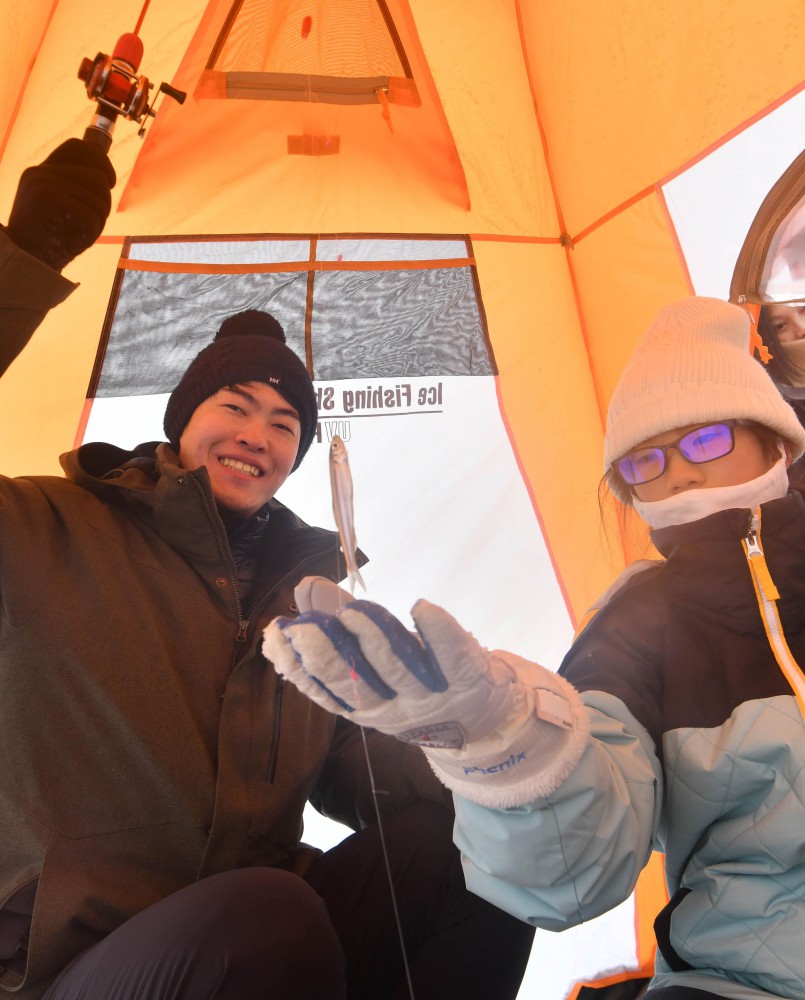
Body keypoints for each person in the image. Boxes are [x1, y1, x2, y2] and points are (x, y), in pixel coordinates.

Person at [0, 141, 535, 999]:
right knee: (265, 915)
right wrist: (21, 259)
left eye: (285, 422)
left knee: (489, 853)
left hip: (259, 942)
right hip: (74, 960)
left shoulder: (306, 599)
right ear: (184, 421)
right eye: (234, 405)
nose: (258, 432)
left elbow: (361, 771)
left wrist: (493, 754)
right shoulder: (44, 528)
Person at [265, 296, 805, 1000]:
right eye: (645, 460)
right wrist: (504, 746)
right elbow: (571, 875)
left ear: (773, 440)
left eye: (705, 440)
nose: (678, 472)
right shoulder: (637, 622)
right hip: (745, 979)